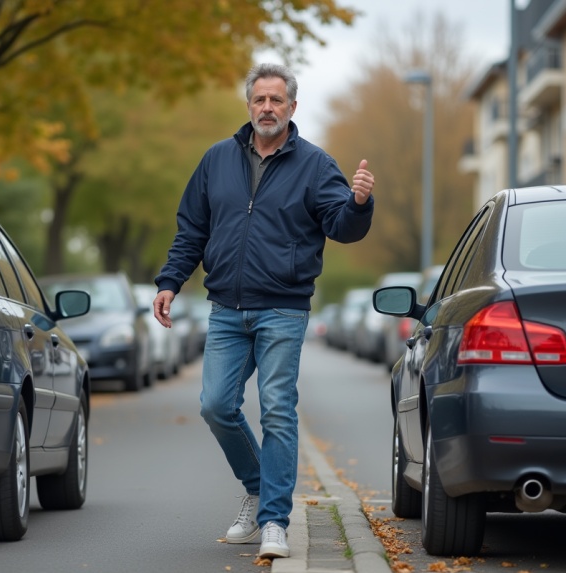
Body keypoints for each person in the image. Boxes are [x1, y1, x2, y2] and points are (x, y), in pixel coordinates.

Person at [152, 63, 374, 559]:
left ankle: (274, 520)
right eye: (259, 100)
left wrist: (358, 203)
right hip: (226, 309)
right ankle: (257, 487)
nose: (267, 108)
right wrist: (170, 281)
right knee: (215, 406)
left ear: (292, 107)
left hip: (283, 309)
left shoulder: (316, 165)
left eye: (277, 100)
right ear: (249, 106)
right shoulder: (216, 160)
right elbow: (192, 229)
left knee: (277, 409)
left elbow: (342, 225)